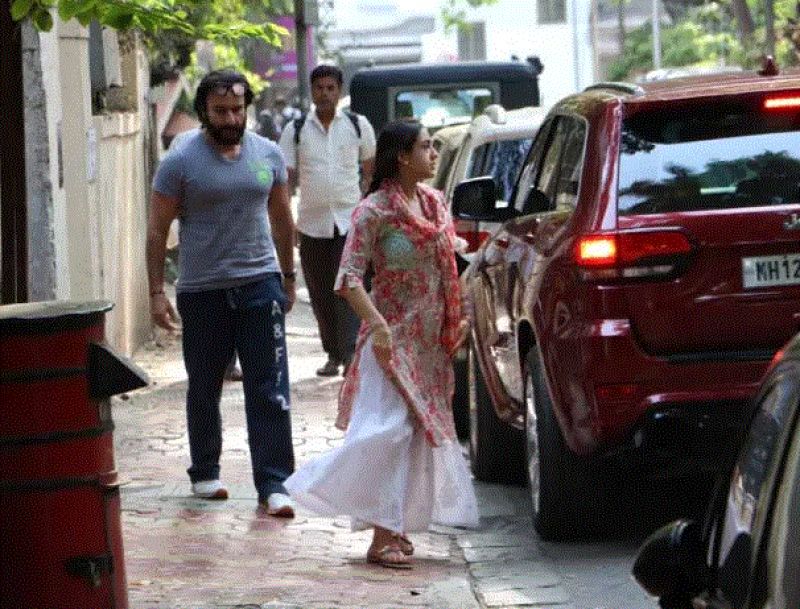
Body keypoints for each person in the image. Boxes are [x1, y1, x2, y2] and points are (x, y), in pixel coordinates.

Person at [284, 120, 480, 568]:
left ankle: (395, 527)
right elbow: (348, 279)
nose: (434, 154)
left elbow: (449, 263)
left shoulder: (434, 205)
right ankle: (371, 529)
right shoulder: (373, 212)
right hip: (390, 343)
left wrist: (459, 316)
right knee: (386, 434)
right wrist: (379, 327)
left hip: (429, 342)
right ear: (401, 157)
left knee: (415, 436)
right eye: (426, 147)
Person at [146, 69, 297, 517]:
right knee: (205, 384)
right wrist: (157, 291)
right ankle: (205, 471)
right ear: (203, 113)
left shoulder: (267, 154)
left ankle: (274, 483)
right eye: (220, 111)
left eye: (237, 109)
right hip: (203, 290)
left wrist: (288, 277)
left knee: (269, 388)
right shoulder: (180, 160)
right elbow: (157, 231)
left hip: (259, 283)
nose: (231, 118)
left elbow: (283, 220)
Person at [279, 64, 376, 377]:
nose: (325, 94)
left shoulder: (358, 125)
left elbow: (369, 173)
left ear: (339, 91)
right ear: (312, 90)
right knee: (320, 294)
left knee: (348, 289)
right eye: (319, 88)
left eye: (330, 88)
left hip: (349, 223)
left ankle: (350, 354)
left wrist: (366, 213)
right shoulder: (295, 131)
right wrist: (288, 221)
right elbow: (286, 180)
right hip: (311, 224)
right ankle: (332, 354)